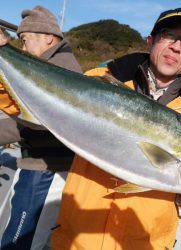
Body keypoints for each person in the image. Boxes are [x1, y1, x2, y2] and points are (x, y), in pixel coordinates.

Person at [51, 7, 181, 250]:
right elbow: (25, 103)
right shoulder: (100, 79)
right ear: (151, 40)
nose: (177, 46)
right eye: (169, 35)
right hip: (77, 238)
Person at [0, 6, 82, 250]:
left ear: (48, 37)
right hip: (39, 168)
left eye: (25, 41)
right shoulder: (50, 66)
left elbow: (34, 122)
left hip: (45, 171)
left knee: (20, 243)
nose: (23, 49)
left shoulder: (61, 69)